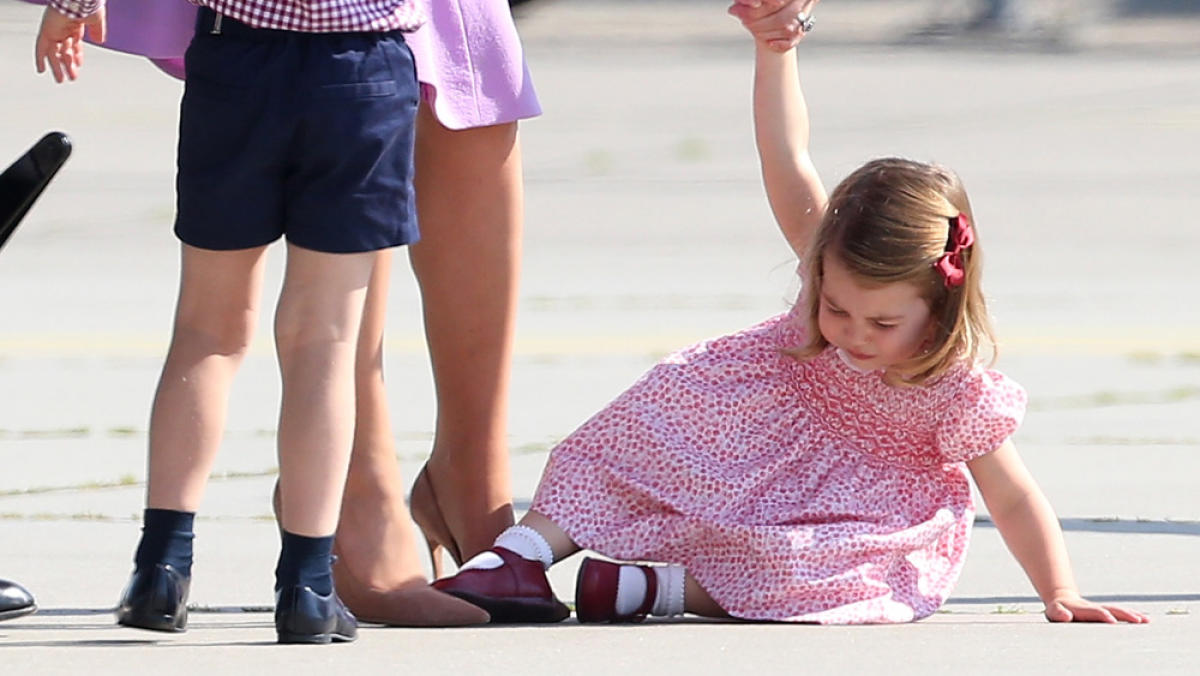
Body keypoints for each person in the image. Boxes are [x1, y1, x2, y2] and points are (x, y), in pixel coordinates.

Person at [428, 5, 1152, 626]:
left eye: (881, 322)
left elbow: (1013, 493)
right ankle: (515, 558)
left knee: (847, 573)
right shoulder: (825, 259)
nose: (852, 334)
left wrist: (1060, 591)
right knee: (639, 429)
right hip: (756, 426)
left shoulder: (957, 388)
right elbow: (786, 154)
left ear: (943, 301)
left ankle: (650, 587)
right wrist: (776, 51)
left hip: (853, 513)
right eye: (836, 308)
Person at [27, 0, 540, 626]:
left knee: (205, 334)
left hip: (234, 57)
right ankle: (308, 582)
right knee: (324, 341)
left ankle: (160, 569)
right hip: (363, 67)